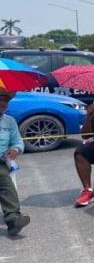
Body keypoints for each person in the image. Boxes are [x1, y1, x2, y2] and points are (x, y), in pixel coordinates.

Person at [0, 87, 30, 237]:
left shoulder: (9, 121)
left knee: (4, 180)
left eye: (6, 99)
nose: (3, 102)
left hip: (1, 162)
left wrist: (16, 149)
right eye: (1, 98)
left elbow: (18, 141)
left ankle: (13, 221)